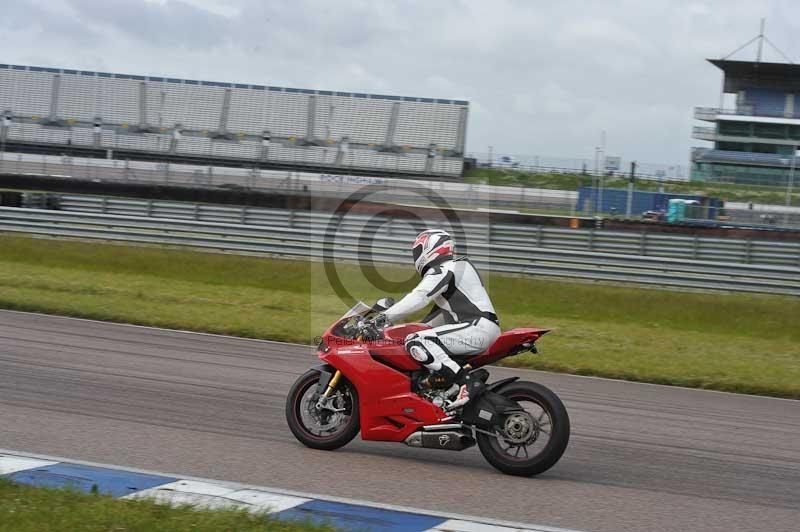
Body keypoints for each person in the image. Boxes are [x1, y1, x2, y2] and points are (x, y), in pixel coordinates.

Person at [374, 229, 501, 409]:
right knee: (420, 339)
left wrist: (384, 317)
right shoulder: (457, 268)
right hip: (478, 328)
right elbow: (434, 320)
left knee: (416, 341)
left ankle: (465, 382)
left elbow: (420, 296)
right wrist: (398, 328)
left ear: (431, 248)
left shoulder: (444, 269)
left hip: (476, 328)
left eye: (418, 250)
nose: (416, 256)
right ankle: (443, 392)